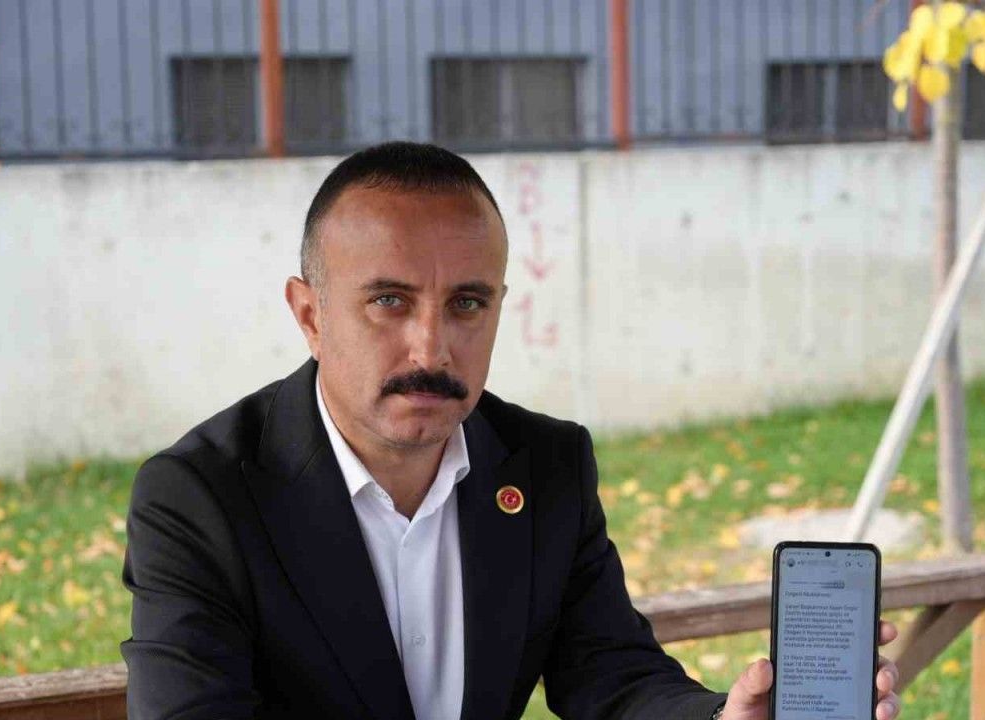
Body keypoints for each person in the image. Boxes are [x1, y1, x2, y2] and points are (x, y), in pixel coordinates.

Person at [120, 141, 902, 720]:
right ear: (310, 315)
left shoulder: (547, 464)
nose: (431, 349)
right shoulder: (199, 498)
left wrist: (724, 719)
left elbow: (610, 673)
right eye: (389, 302)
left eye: (467, 303)